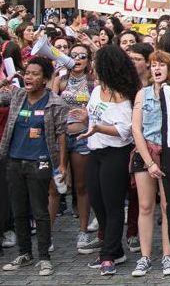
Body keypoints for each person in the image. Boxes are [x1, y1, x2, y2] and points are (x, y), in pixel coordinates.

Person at [0, 57, 68, 276]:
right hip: (14, 160)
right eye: (27, 73)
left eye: (35, 74)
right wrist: (4, 82)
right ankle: (25, 253)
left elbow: (61, 135)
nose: (29, 77)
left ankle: (44, 257)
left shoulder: (55, 103)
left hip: (40, 161)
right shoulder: (18, 96)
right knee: (18, 210)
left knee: (40, 211)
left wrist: (61, 164)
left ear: (46, 79)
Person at [80, 45, 140, 276]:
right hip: (95, 152)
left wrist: (98, 128)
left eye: (96, 61)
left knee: (113, 205)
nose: (92, 65)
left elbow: (125, 131)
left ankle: (108, 256)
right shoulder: (96, 90)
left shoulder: (123, 95)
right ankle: (114, 249)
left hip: (115, 153)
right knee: (98, 202)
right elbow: (95, 114)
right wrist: (86, 117)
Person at [130, 51, 170, 277]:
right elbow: (136, 129)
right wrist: (149, 163)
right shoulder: (143, 93)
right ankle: (145, 256)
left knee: (167, 207)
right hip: (146, 152)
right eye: (153, 65)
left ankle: (168, 255)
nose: (157, 69)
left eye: (162, 65)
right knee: (145, 206)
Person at [50, 44, 100, 254]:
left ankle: (82, 231)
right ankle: (48, 233)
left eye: (82, 56)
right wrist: (54, 76)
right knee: (54, 187)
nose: (77, 59)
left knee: (81, 185)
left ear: (88, 60)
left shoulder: (93, 82)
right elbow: (51, 103)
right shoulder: (60, 80)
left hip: (81, 137)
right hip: (59, 137)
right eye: (73, 56)